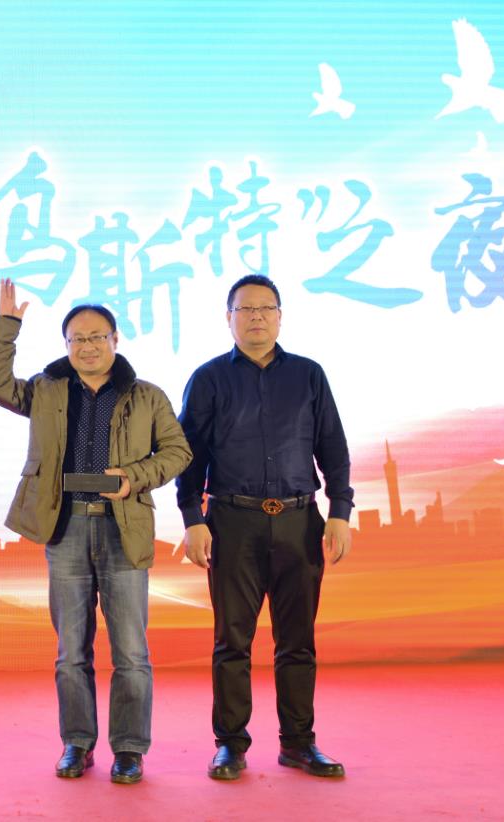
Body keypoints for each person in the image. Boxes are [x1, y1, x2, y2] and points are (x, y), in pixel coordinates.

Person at [0, 280, 192, 784]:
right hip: (67, 529)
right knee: (70, 652)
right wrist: (6, 327)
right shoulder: (47, 389)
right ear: (67, 345)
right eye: (78, 339)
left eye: (98, 336)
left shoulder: (146, 396)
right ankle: (76, 743)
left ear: (116, 339)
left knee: (131, 652)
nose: (88, 346)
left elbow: (178, 452)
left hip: (124, 529)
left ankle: (129, 749)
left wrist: (134, 477)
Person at [176, 274, 352, 781]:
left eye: (265, 308)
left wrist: (340, 511)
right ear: (228, 317)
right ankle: (230, 745)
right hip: (233, 522)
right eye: (245, 309)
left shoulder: (309, 375)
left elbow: (333, 446)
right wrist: (193, 519)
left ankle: (298, 743)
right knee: (232, 640)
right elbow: (189, 456)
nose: (256, 316)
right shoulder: (209, 379)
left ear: (280, 316)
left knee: (298, 640)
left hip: (299, 520)